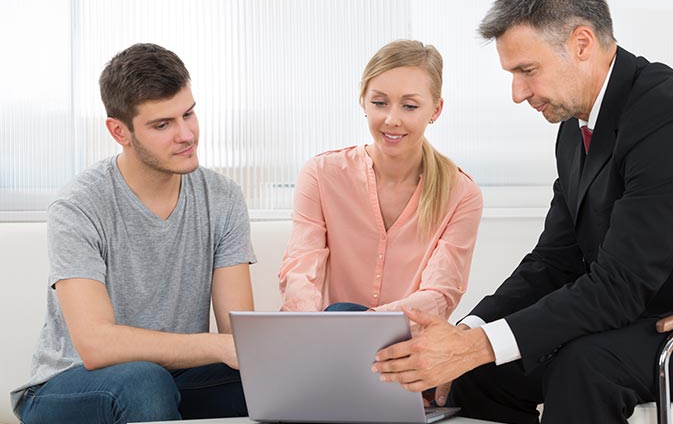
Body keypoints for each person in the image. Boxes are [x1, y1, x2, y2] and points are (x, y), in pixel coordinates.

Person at [371, 0, 673, 424]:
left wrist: (476, 345)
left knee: (584, 366)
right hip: (644, 316)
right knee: (477, 374)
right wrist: (467, 334)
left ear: (582, 44)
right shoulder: (575, 128)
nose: (517, 93)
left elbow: (620, 285)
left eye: (527, 71)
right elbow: (553, 260)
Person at [11, 43, 256, 424]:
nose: (186, 135)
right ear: (119, 131)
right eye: (162, 125)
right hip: (71, 385)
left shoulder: (222, 197)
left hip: (173, 380)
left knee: (270, 378)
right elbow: (96, 345)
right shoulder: (79, 204)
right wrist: (218, 346)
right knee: (144, 382)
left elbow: (238, 335)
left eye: (188, 114)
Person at [279, 40, 482, 319]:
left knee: (343, 313)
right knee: (339, 312)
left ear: (436, 110)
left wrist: (366, 325)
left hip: (407, 339)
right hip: (331, 332)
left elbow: (439, 294)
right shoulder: (321, 174)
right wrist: (312, 330)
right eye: (379, 103)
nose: (391, 119)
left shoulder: (461, 193)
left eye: (409, 106)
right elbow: (301, 271)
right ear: (363, 101)